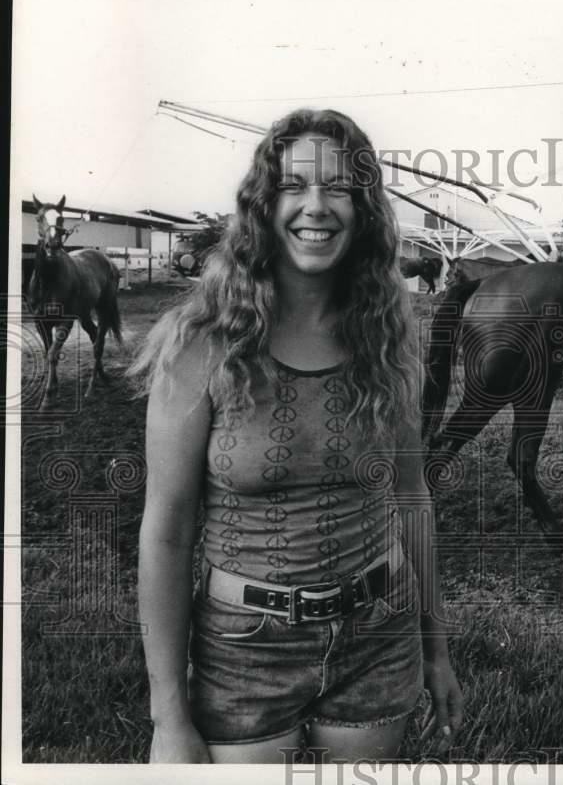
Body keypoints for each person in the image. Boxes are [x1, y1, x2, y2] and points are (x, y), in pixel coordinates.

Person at [130, 108, 463, 763]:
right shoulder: (199, 347)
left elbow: (413, 497)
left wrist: (435, 645)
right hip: (243, 650)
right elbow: (166, 529)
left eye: (338, 186)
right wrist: (167, 713)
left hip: (377, 636)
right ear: (264, 203)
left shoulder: (389, 339)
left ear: (364, 206)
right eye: (294, 185)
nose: (317, 205)